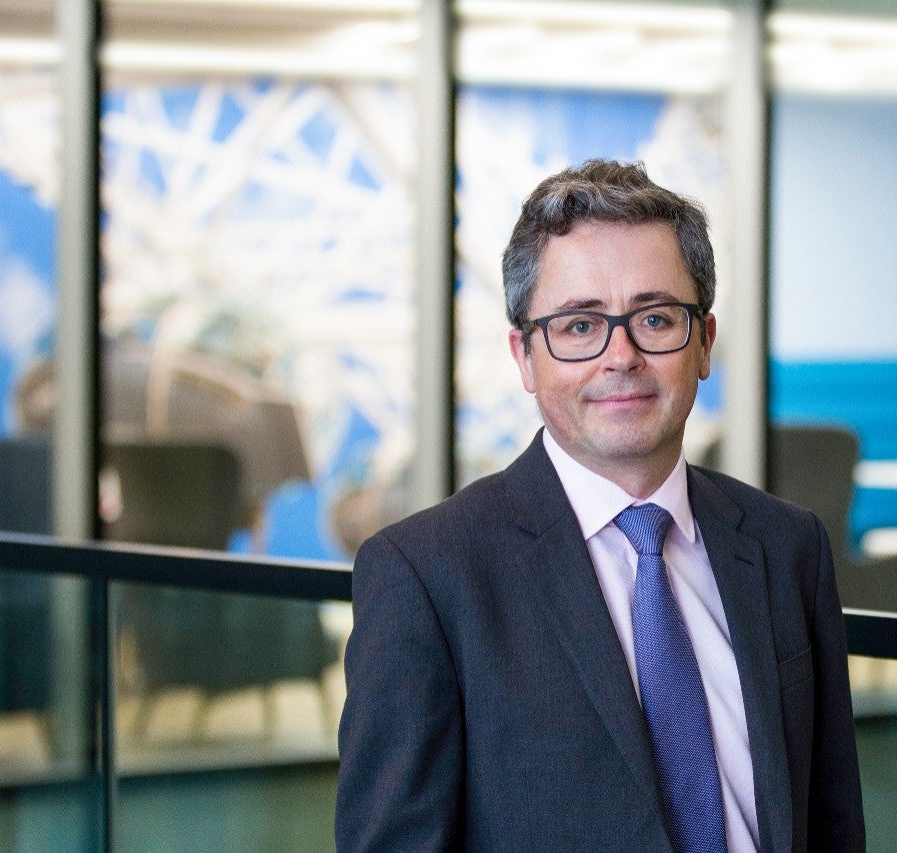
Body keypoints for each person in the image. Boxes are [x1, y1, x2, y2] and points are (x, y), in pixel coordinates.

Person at [335, 159, 865, 852]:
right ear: (525, 356)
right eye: (580, 326)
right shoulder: (427, 575)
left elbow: (832, 822)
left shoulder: (788, 547)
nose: (621, 356)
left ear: (705, 343)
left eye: (655, 318)